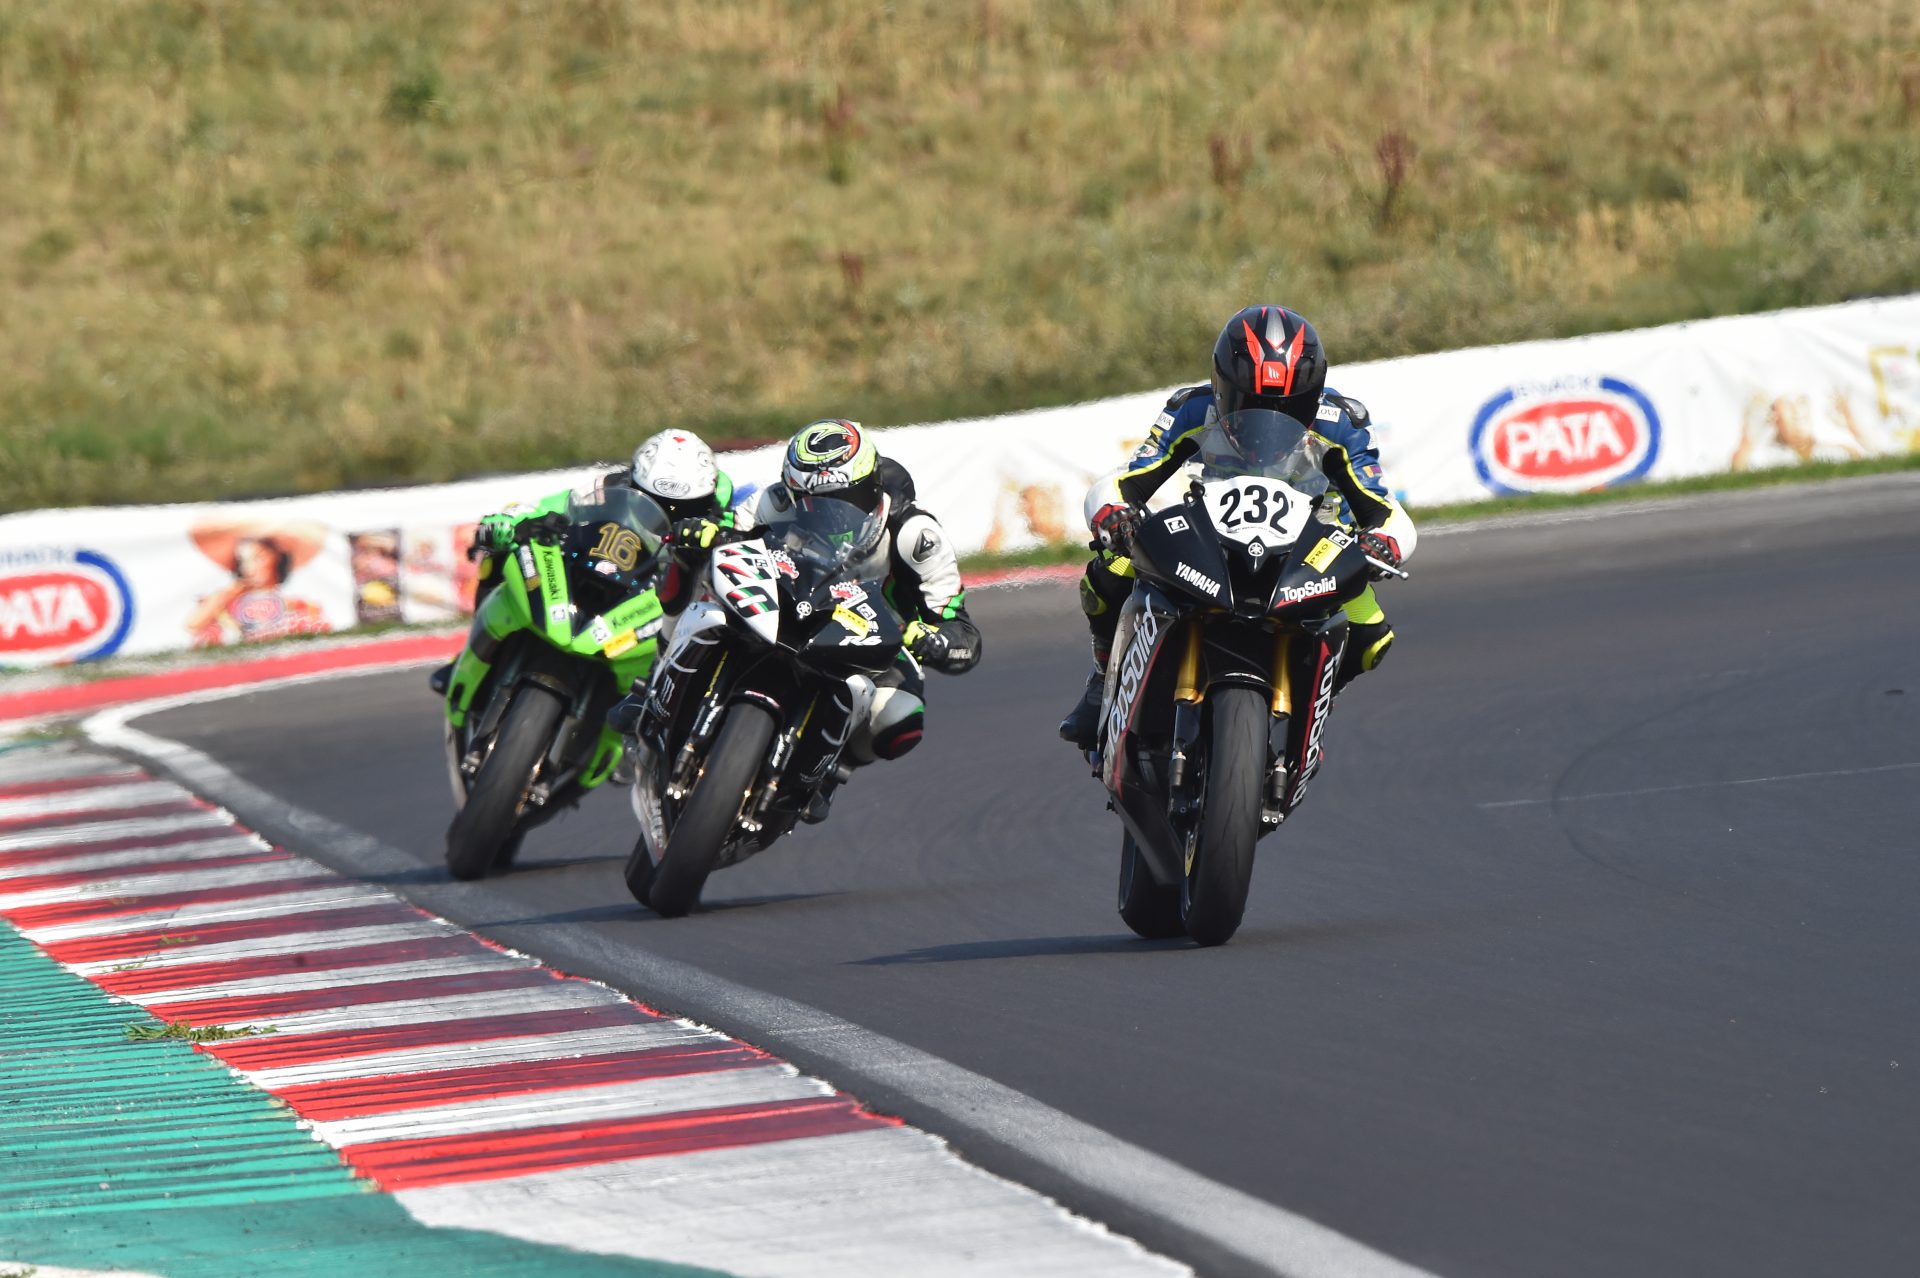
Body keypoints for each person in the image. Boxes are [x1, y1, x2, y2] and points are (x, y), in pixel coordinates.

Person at [1059, 304, 1418, 748]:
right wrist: (1114, 513)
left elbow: (1383, 508)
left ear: (1313, 396)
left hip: (1311, 553)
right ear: (1222, 387)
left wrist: (1383, 543)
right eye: (1251, 404)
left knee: (1370, 634)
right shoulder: (1193, 409)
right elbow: (1128, 479)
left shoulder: (1342, 424)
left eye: (1290, 407)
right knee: (1110, 572)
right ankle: (1102, 679)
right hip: (1211, 538)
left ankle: (1313, 708)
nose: (1269, 422)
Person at [697, 418, 982, 771]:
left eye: (850, 500)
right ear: (792, 492)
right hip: (784, 599)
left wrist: (935, 641)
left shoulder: (917, 535)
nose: (835, 517)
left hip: (872, 636)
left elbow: (963, 633)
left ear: (875, 486)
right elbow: (726, 531)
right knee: (706, 603)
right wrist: (705, 533)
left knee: (898, 717)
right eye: (817, 504)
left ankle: (830, 770)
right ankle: (662, 685)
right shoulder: (773, 501)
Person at [428, 429, 736, 695]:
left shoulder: (722, 513)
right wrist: (509, 523)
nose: (667, 513)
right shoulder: (613, 484)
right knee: (499, 552)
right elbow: (549, 505)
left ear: (705, 499)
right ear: (635, 482)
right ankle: (468, 653)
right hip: (603, 569)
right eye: (651, 499)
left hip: (662, 590)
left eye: (683, 508)